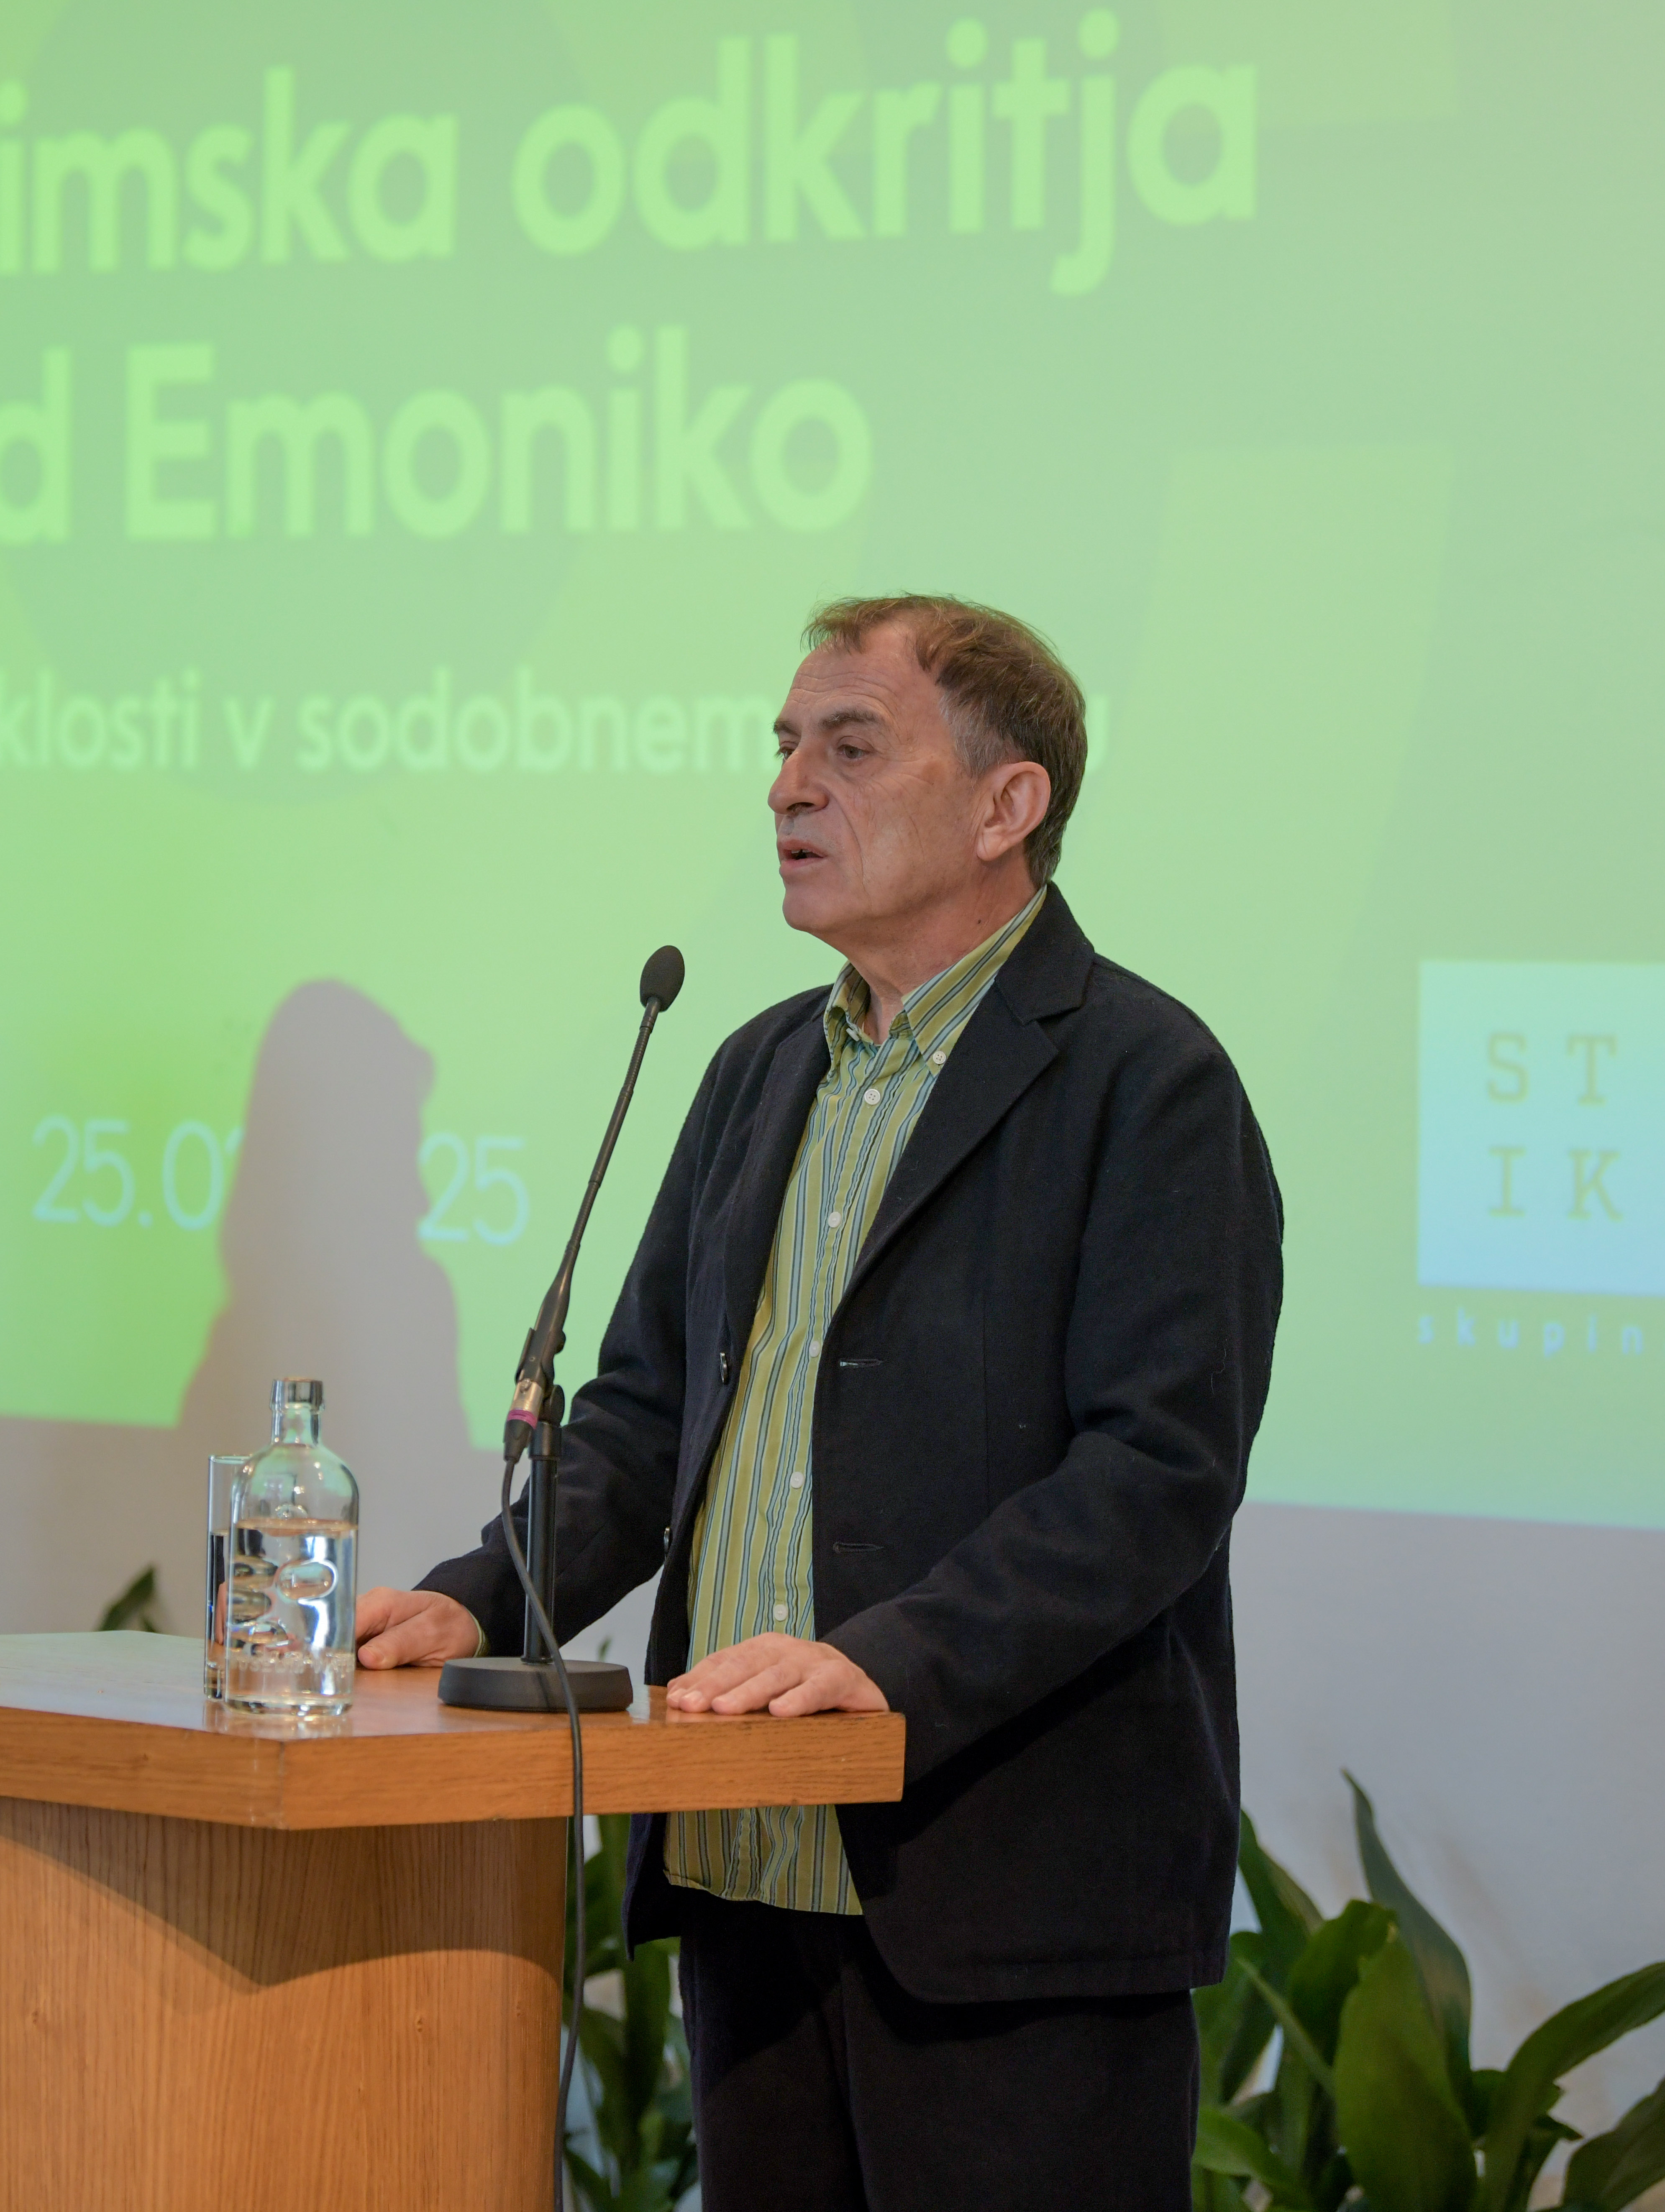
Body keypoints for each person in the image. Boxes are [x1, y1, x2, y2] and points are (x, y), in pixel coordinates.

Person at [358, 596, 1282, 2211]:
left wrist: (885, 1664)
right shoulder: (757, 1068)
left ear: (1007, 806)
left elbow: (1156, 1476)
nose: (790, 787)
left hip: (1006, 1904)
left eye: (852, 749)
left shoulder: (1146, 1081)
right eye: (787, 747)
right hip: (750, 1869)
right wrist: (485, 1600)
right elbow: (644, 1421)